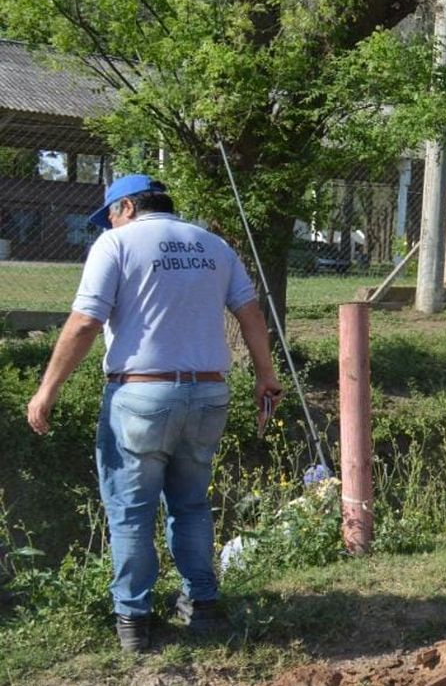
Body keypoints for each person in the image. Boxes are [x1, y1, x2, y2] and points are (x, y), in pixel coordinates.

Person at [25, 174, 283, 653]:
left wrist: (47, 390)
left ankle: (133, 621)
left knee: (130, 510)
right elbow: (250, 312)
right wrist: (264, 375)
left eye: (109, 215)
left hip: (141, 396)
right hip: (208, 395)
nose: (108, 224)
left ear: (126, 207)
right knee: (190, 504)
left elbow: (85, 322)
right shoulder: (214, 246)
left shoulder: (115, 244)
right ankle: (202, 605)